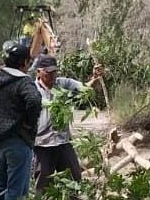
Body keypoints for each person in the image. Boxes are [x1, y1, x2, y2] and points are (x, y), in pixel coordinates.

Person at [0, 40, 43, 200]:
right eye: (28, 62)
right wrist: (29, 124)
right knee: (17, 190)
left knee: (1, 184)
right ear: (23, 63)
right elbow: (34, 101)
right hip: (19, 142)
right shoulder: (24, 82)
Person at [32, 55, 101, 192]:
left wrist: (95, 78)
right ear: (39, 72)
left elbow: (84, 89)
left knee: (75, 178)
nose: (52, 76)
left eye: (54, 72)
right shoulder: (31, 89)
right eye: (48, 73)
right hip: (42, 144)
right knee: (43, 182)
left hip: (63, 141)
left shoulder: (63, 84)